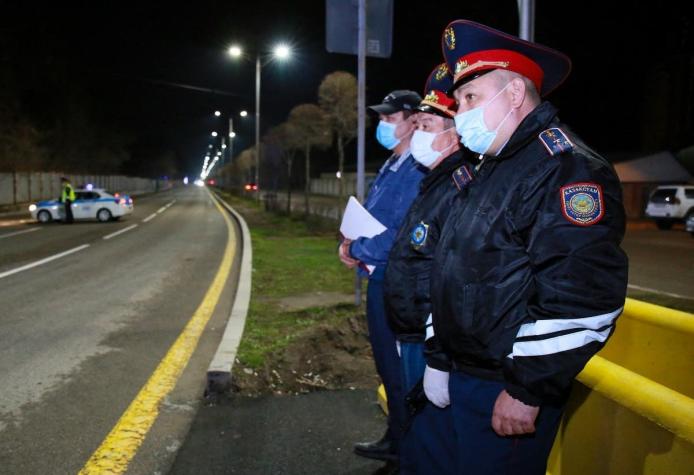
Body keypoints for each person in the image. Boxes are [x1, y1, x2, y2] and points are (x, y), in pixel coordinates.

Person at [423, 20, 629, 474]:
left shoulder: (565, 168)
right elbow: (454, 266)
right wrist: (440, 355)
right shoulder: (492, 167)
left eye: (470, 99)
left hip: (506, 386)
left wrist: (527, 389)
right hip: (468, 374)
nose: (459, 114)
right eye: (458, 103)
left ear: (514, 94)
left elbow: (581, 295)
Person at [380, 64, 469, 474]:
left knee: (432, 443)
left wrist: (437, 356)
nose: (418, 135)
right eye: (416, 124)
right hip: (414, 332)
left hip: (431, 340)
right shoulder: (434, 181)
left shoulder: (457, 186)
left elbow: (448, 277)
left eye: (427, 125)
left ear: (454, 133)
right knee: (421, 436)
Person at [338, 90, 426, 465]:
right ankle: (396, 438)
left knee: (402, 368)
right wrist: (350, 243)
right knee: (387, 366)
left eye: (391, 119)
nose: (383, 125)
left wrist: (358, 250)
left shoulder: (417, 168)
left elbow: (401, 232)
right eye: (381, 119)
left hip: (397, 279)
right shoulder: (392, 164)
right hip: (380, 275)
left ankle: (409, 449)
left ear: (412, 122)